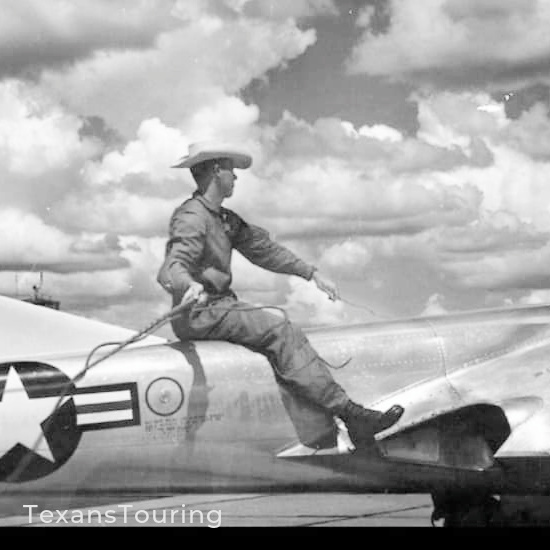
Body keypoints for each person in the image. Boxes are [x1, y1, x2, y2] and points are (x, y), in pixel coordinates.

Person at [157, 140, 404, 451]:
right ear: (217, 170)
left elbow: (264, 251)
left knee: (277, 328)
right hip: (200, 313)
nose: (236, 177)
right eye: (231, 169)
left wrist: (311, 273)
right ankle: (349, 414)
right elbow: (173, 265)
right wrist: (187, 285)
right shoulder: (192, 216)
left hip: (218, 308)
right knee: (278, 330)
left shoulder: (225, 219)